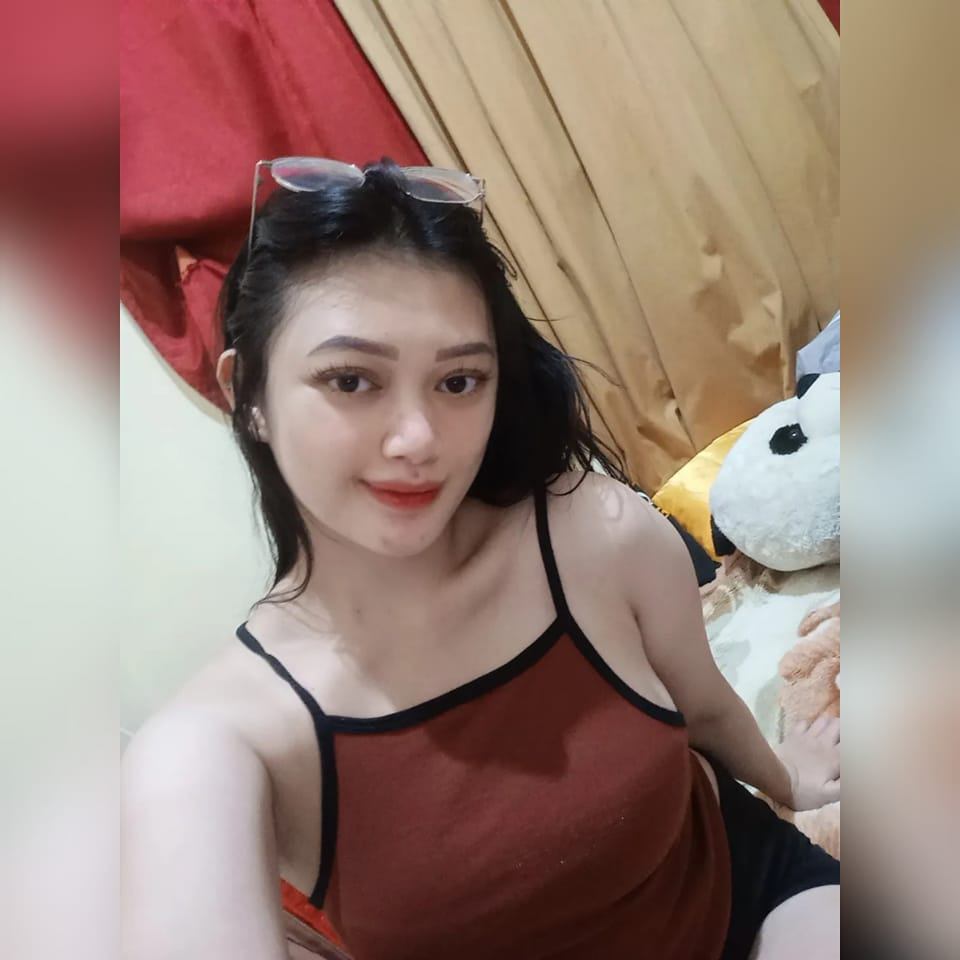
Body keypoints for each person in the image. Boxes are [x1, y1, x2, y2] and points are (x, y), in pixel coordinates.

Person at [121, 159, 840, 960]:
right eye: (351, 380)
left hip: (747, 899)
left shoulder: (594, 532)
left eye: (459, 381)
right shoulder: (216, 743)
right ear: (247, 395)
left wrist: (789, 781)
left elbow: (702, 708)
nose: (418, 438)